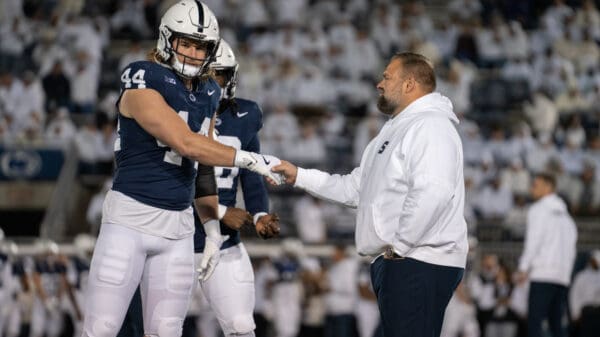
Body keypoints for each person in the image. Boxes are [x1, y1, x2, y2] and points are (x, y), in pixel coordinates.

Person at [81, 2, 280, 337]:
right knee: (101, 330)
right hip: (130, 218)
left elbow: (200, 165)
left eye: (200, 47)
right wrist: (250, 158)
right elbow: (185, 142)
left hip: (179, 228)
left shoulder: (210, 92)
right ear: (166, 40)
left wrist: (213, 231)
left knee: (167, 331)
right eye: (185, 43)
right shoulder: (143, 77)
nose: (191, 53)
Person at [272, 52, 468, 337]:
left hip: (418, 259)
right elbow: (354, 189)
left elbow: (433, 191)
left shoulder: (430, 125)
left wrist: (399, 248)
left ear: (410, 84)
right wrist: (300, 175)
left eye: (387, 76)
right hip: (403, 261)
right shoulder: (394, 129)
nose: (379, 83)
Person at [193, 40, 280, 337]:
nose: (215, 84)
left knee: (242, 327)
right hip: (174, 239)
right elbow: (170, 178)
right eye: (208, 75)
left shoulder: (243, 116)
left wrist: (258, 214)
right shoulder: (174, 114)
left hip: (225, 242)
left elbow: (252, 172)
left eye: (220, 75)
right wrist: (218, 210)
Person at [515, 173, 577, 337]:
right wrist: (566, 275)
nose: (531, 189)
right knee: (557, 326)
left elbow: (533, 241)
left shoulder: (538, 209)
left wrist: (523, 268)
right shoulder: (568, 219)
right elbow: (572, 251)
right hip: (562, 278)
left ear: (548, 187)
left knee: (535, 325)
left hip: (542, 275)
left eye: (535, 185)